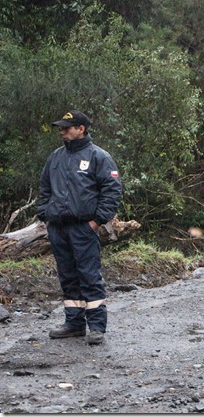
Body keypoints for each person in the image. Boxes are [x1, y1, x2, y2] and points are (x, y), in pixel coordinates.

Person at [37, 110, 122, 345]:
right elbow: (44, 188)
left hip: (83, 228)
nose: (62, 131)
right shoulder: (55, 157)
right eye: (61, 127)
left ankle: (96, 326)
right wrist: (45, 215)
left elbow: (112, 190)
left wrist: (97, 221)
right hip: (58, 227)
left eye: (66, 127)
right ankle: (74, 323)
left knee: (89, 275)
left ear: (81, 129)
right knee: (67, 275)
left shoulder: (99, 157)